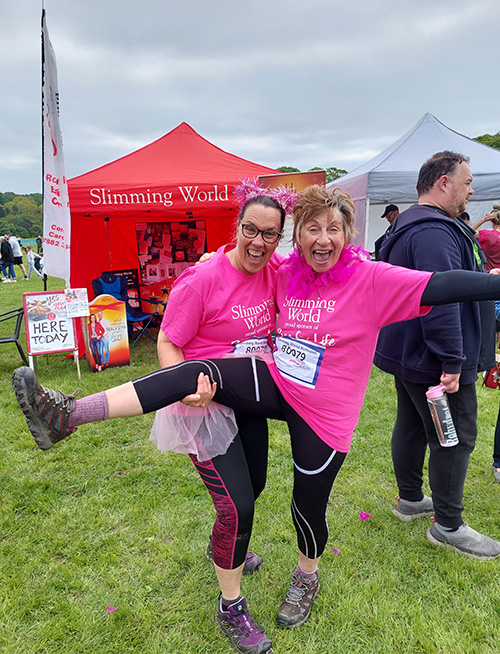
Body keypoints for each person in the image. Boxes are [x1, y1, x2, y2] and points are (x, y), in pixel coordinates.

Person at [13, 186, 500, 638]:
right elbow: (238, 266)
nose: (323, 239)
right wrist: (214, 259)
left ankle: (306, 576)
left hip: (324, 417)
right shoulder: (286, 271)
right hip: (276, 384)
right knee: (199, 371)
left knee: (304, 508)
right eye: (312, 227)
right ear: (298, 236)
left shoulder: (371, 279)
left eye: (334, 229)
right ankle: (67, 415)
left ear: (349, 235)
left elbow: (442, 284)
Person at [374, 150, 500, 559]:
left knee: (412, 424)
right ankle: (448, 525)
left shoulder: (415, 224)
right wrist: (452, 362)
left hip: (411, 352)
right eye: (466, 182)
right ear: (443, 182)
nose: (471, 190)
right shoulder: (432, 232)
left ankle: (410, 499)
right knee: (454, 436)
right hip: (434, 357)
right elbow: (438, 296)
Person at [471, 203, 500, 481]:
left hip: (490, 289)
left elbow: (468, 234)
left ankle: (491, 365)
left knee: (489, 331)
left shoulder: (488, 236)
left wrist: (481, 222)